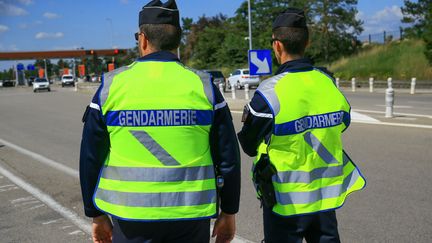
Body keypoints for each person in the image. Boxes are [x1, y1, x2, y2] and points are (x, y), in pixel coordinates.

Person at [79, 1, 241, 242]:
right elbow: (228, 158)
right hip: (190, 218)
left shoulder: (111, 88)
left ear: (142, 39)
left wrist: (96, 215)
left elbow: (90, 157)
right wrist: (229, 211)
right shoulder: (204, 87)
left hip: (130, 219)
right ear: (178, 40)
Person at [238, 8, 366, 243]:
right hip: (325, 201)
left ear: (276, 46)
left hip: (285, 203)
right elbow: (343, 122)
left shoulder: (270, 92)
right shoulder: (327, 82)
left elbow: (248, 143)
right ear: (307, 42)